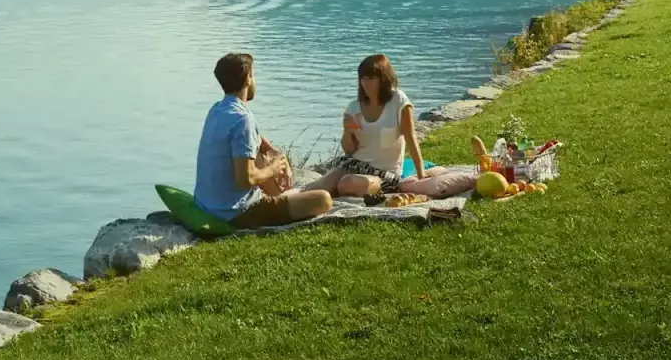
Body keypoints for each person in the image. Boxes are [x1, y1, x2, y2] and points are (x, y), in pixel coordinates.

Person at [300, 54, 475, 200]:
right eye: (363, 78)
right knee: (318, 186)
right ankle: (285, 201)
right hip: (353, 164)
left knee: (347, 183)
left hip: (383, 173)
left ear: (383, 79)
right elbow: (349, 150)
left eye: (371, 78)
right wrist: (347, 131)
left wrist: (421, 174)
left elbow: (411, 138)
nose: (365, 83)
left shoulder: (398, 101)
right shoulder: (354, 107)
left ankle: (354, 190)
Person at [194, 53, 334, 228]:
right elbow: (245, 180)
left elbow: (254, 139)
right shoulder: (243, 119)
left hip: (208, 205)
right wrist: (273, 168)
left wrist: (278, 156)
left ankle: (283, 198)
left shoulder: (217, 110)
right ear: (248, 79)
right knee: (323, 199)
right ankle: (282, 201)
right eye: (253, 75)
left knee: (257, 155)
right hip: (238, 213)